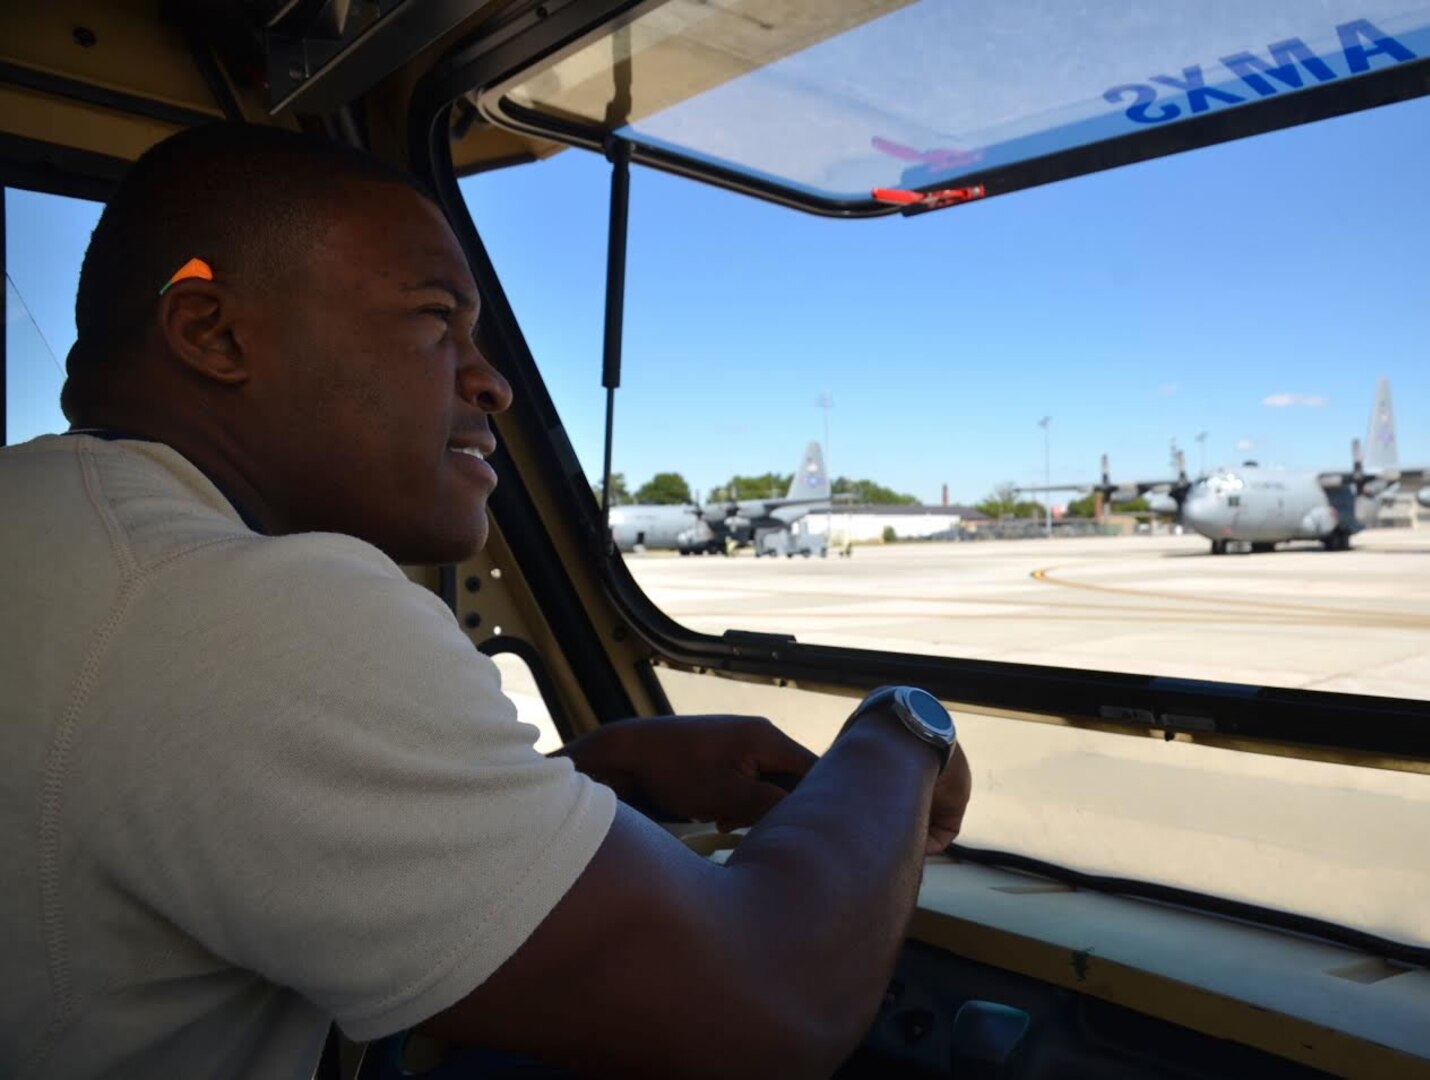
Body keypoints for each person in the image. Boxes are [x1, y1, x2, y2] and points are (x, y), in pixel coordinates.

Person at [0, 124, 971, 1080]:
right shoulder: (238, 603)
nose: (493, 383)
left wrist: (592, 772)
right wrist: (900, 730)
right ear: (213, 333)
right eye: (434, 320)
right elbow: (769, 1000)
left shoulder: (58, 530)